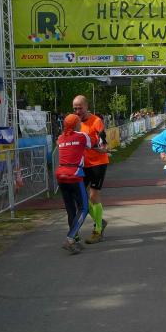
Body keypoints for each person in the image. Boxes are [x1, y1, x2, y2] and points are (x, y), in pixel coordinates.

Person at [72, 95, 109, 244]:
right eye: (75, 108)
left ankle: (98, 231)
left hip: (98, 163)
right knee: (80, 198)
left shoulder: (96, 121)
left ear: (86, 106)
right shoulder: (74, 122)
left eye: (80, 108)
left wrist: (102, 148)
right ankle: (100, 221)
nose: (77, 111)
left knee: (93, 196)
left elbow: (104, 142)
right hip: (82, 164)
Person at [55, 114, 91, 255]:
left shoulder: (60, 138)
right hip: (75, 175)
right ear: (76, 124)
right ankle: (70, 238)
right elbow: (92, 145)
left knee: (71, 210)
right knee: (84, 208)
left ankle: (74, 240)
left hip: (61, 175)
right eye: (79, 122)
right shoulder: (82, 136)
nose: (80, 124)